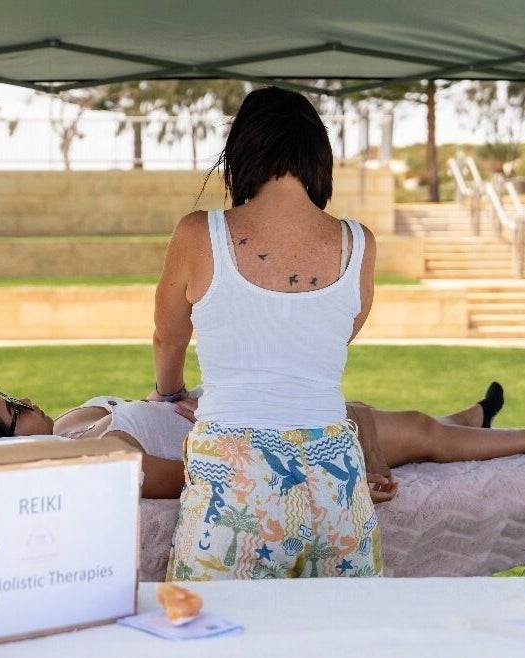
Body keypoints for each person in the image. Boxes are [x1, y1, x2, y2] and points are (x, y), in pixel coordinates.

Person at [149, 86, 381, 580]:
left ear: (242, 153)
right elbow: (336, 335)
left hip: (234, 473)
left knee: (211, 636)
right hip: (335, 474)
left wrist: (169, 391)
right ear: (319, 157)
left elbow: (168, 337)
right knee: (347, 636)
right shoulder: (359, 243)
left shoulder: (198, 233)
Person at [0, 382, 525, 503]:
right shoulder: (88, 462)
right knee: (411, 432)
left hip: (229, 406)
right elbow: (196, 477)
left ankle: (468, 421)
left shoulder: (71, 426)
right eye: (11, 411)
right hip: (259, 436)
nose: (24, 402)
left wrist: (174, 403)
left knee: (408, 421)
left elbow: (151, 417)